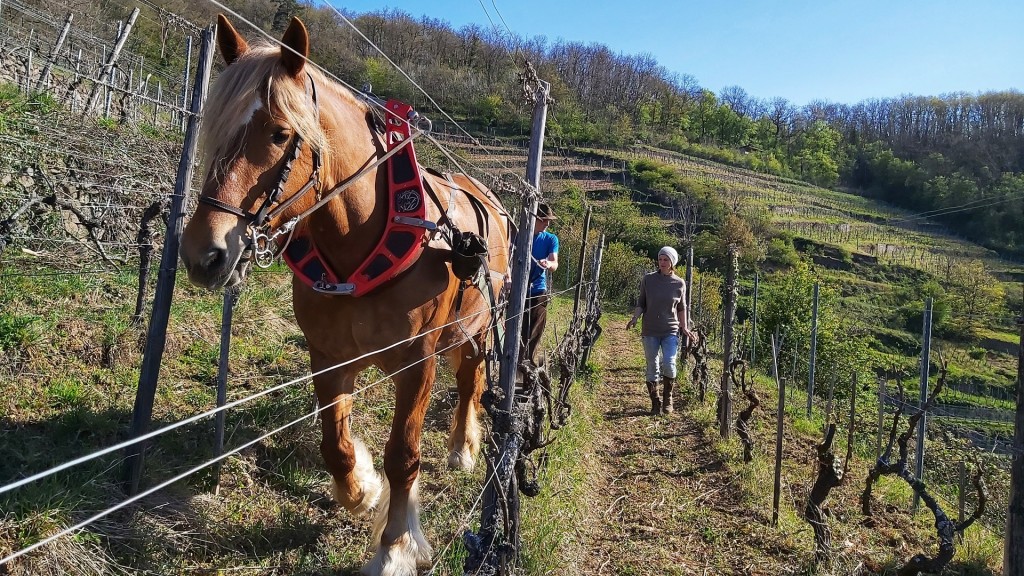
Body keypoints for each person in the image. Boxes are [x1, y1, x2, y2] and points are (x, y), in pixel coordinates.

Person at [625, 246, 695, 415]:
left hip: (670, 330)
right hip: (650, 330)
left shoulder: (679, 283)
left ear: (672, 263)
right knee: (652, 365)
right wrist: (635, 318)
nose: (662, 262)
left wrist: (684, 326)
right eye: (660, 259)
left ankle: (668, 398)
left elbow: (681, 307)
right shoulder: (648, 279)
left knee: (670, 364)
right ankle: (655, 402)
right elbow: (641, 302)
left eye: (666, 260)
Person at [521, 202, 559, 366]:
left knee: (534, 332)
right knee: (518, 332)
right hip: (518, 292)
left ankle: (528, 367)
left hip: (537, 291)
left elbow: (554, 263)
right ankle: (515, 366)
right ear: (534, 219)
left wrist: (548, 263)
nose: (547, 223)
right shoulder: (520, 236)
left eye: (549, 220)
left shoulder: (551, 239)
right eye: (544, 219)